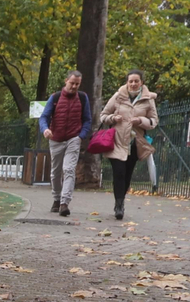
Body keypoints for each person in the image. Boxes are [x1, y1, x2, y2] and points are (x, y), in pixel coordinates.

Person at [98, 70, 159, 220]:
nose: (133, 84)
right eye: (130, 81)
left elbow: (154, 121)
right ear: (127, 82)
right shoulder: (118, 96)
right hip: (117, 141)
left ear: (141, 83)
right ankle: (119, 205)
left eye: (136, 81)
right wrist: (113, 117)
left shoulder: (148, 99)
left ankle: (121, 200)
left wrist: (140, 121)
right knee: (118, 172)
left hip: (134, 143)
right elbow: (103, 115)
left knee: (127, 175)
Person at [38, 69, 92, 217]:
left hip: (73, 138)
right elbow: (44, 117)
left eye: (77, 84)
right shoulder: (55, 98)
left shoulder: (82, 98)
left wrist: (81, 136)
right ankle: (56, 198)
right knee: (55, 172)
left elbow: (87, 119)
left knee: (69, 170)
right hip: (55, 139)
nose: (74, 86)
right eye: (72, 83)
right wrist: (45, 129)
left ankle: (64, 203)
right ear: (66, 81)